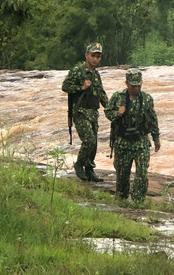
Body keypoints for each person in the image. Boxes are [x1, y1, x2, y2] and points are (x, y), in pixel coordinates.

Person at [105, 68, 160, 203]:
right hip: (123, 142)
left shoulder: (147, 99)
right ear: (126, 83)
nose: (136, 88)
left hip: (140, 142)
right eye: (133, 85)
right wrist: (117, 113)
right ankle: (121, 200)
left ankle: (138, 201)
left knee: (142, 174)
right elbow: (107, 112)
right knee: (122, 175)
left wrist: (156, 138)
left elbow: (153, 119)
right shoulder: (118, 97)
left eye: (138, 85)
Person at [61, 42, 108, 181]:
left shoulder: (96, 74)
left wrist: (111, 109)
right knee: (88, 140)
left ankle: (89, 169)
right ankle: (79, 164)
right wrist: (81, 87)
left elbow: (101, 93)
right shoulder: (77, 71)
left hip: (93, 112)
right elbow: (65, 86)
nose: (96, 59)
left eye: (98, 56)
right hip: (80, 112)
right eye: (93, 55)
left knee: (94, 144)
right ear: (87, 55)